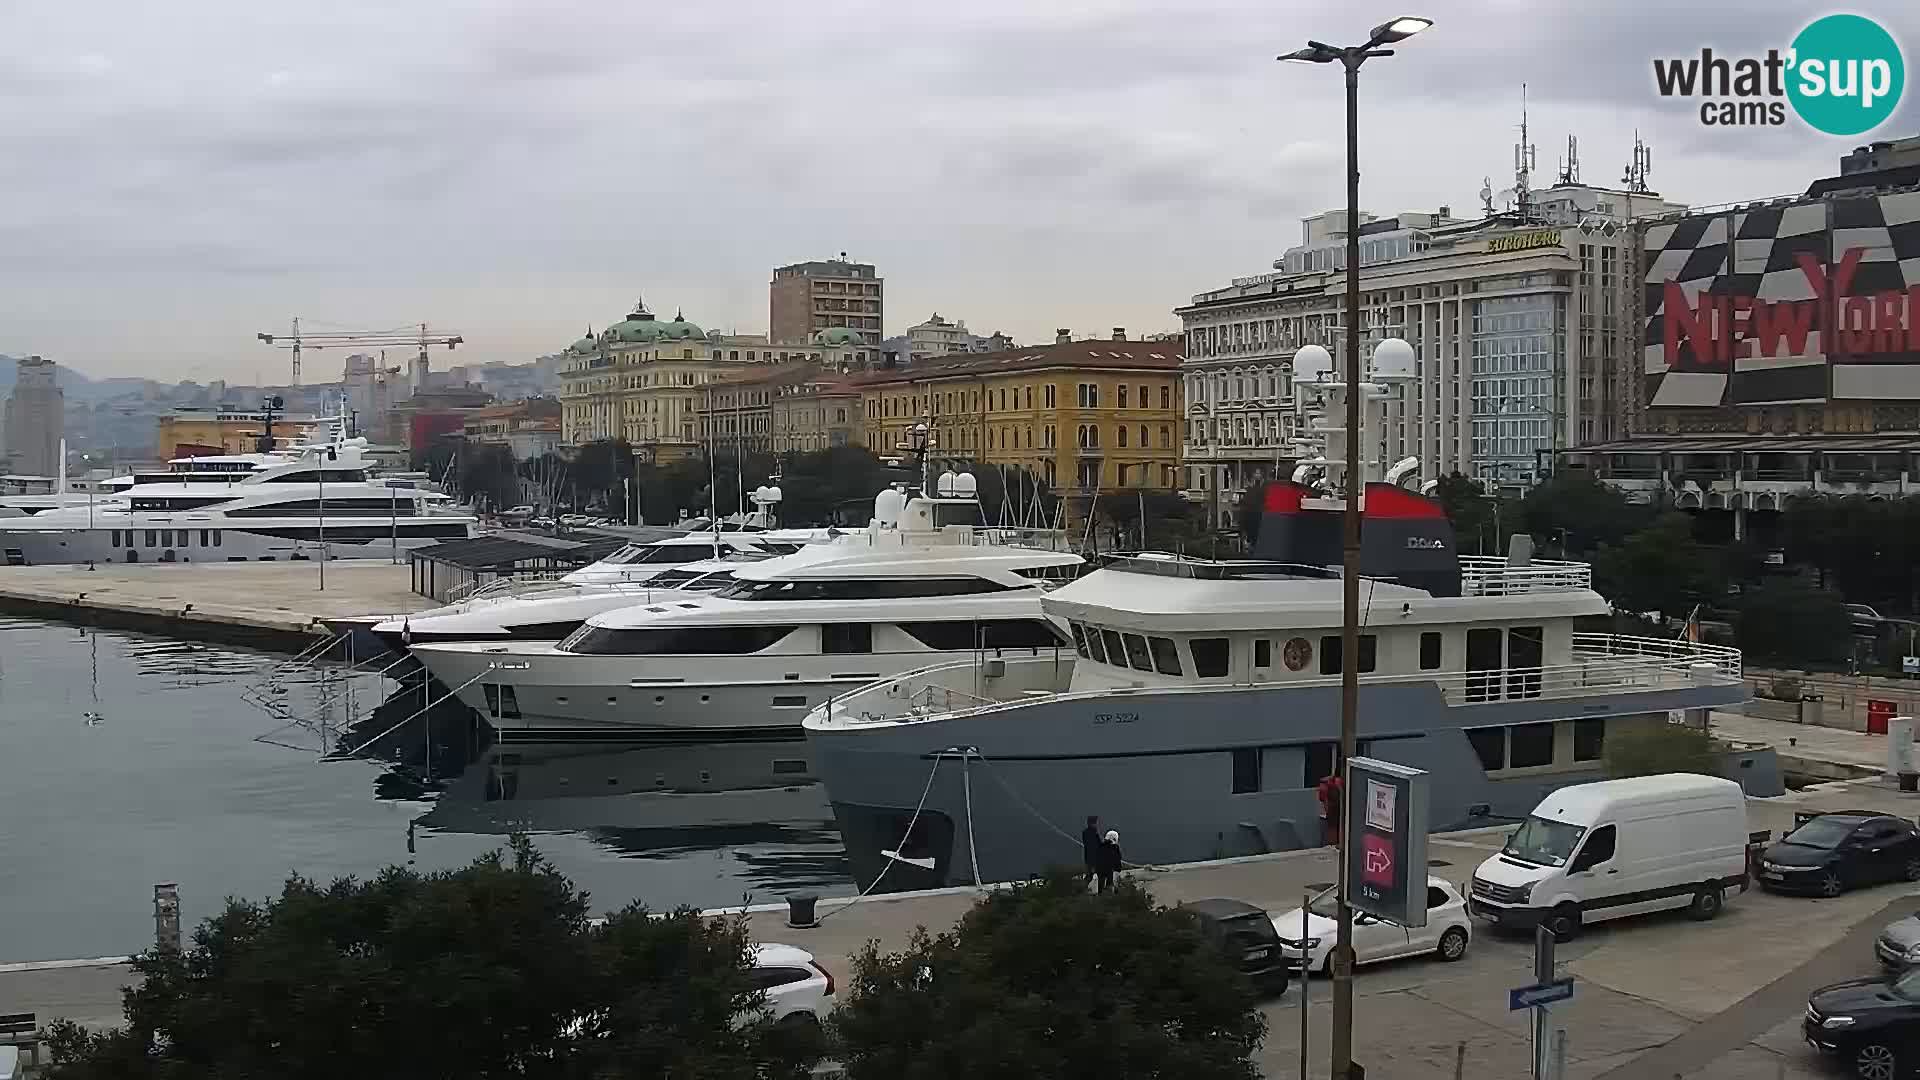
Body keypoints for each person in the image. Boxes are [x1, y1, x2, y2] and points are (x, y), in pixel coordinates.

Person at [1316, 771, 1344, 847]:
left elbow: (1322, 799)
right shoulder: (1332, 784)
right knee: (1334, 828)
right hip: (1334, 810)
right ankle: (1334, 844)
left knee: (1333, 828)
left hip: (1334, 810)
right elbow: (1322, 799)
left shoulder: (1328, 784)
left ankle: (1333, 844)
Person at [1096, 829, 1122, 893]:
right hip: (1110, 870)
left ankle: (1100, 895)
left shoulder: (1101, 846)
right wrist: (1118, 869)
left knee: (1100, 885)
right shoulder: (1115, 847)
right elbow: (1118, 859)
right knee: (1109, 885)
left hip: (1100, 869)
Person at [1081, 815, 1102, 888]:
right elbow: (1096, 845)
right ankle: (1090, 887)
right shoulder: (1093, 833)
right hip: (1094, 858)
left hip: (1088, 857)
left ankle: (1086, 886)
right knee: (1093, 874)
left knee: (1090, 873)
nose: (1096, 824)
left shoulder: (1085, 832)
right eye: (1095, 823)